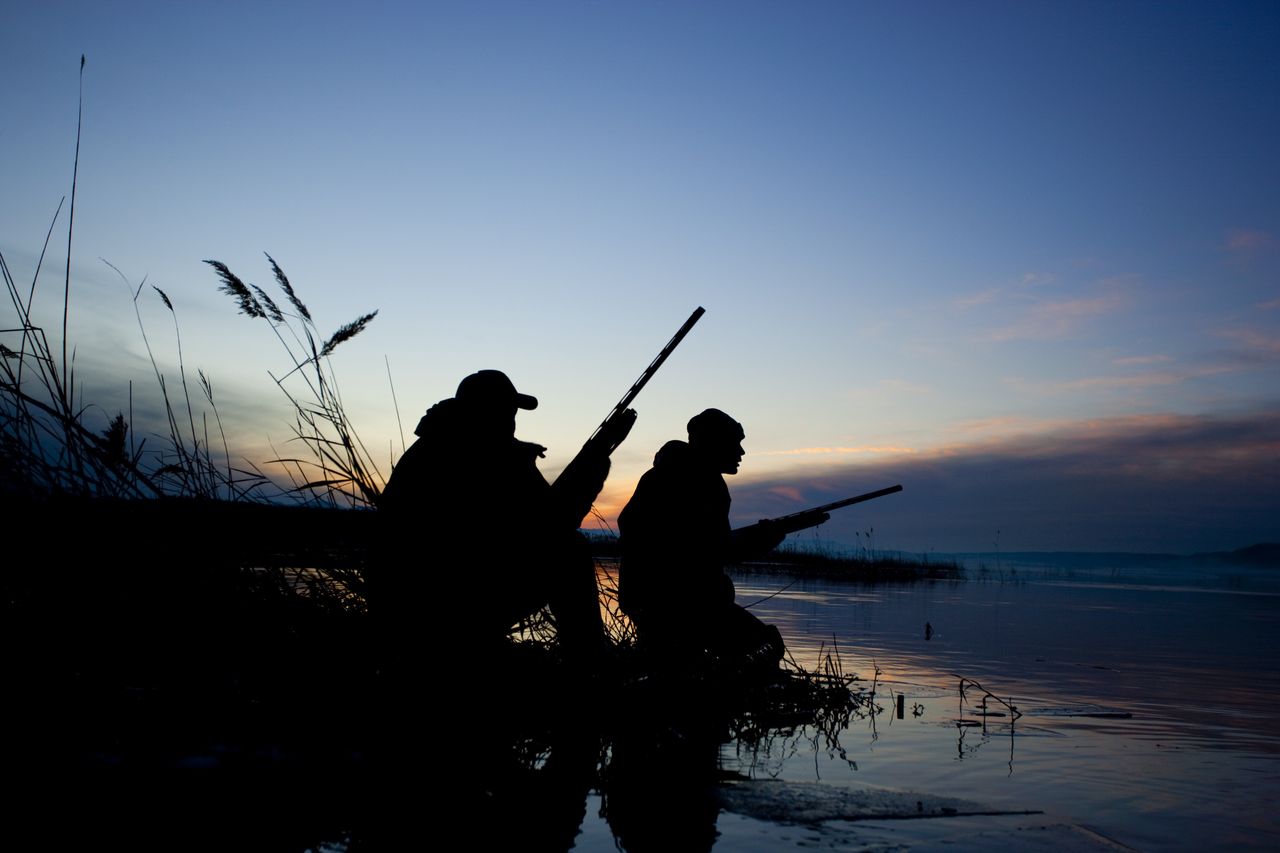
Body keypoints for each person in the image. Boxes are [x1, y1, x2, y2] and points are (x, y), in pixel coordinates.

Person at [376, 369, 633, 662]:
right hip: (441, 605)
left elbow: (539, 520)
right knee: (570, 552)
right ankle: (589, 666)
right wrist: (599, 453)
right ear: (487, 412)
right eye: (507, 410)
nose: (512, 419)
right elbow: (553, 524)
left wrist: (596, 453)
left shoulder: (436, 445)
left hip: (414, 600)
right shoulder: (488, 455)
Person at [617, 408, 787, 675]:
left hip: (649, 600)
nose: (741, 453)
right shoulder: (705, 483)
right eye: (736, 443)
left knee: (670, 669)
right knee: (768, 643)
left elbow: (701, 543)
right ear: (713, 443)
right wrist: (766, 540)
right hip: (686, 606)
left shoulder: (663, 474)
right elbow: (714, 551)